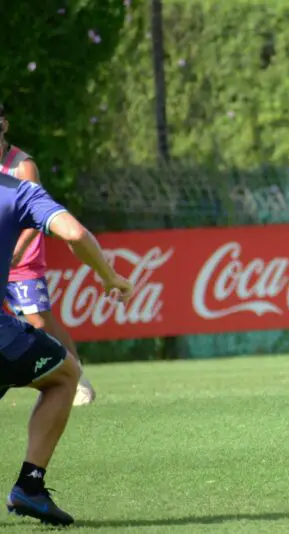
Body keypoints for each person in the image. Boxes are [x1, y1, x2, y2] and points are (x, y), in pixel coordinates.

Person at [1, 173, 133, 525]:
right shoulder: (17, 192)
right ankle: (30, 486)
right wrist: (109, 276)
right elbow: (75, 234)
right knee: (66, 374)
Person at [0, 104, 97, 406]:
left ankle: (77, 377)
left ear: (4, 125)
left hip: (21, 260)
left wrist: (15, 254)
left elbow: (37, 217)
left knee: (40, 322)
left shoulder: (22, 165)